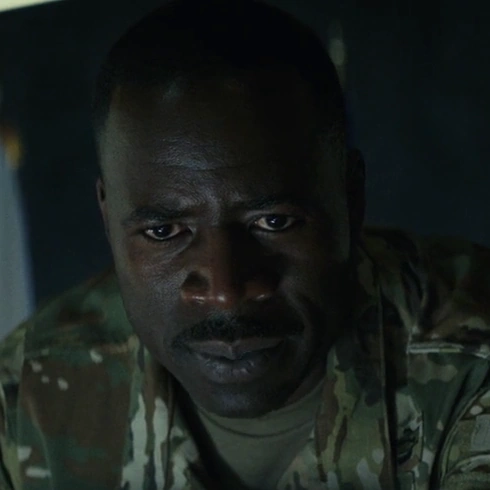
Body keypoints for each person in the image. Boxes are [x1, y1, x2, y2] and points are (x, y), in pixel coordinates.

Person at [1, 0, 489, 488]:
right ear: (108, 220)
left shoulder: (470, 363)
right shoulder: (29, 395)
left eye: (273, 221)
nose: (224, 291)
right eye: (164, 232)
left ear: (351, 197)